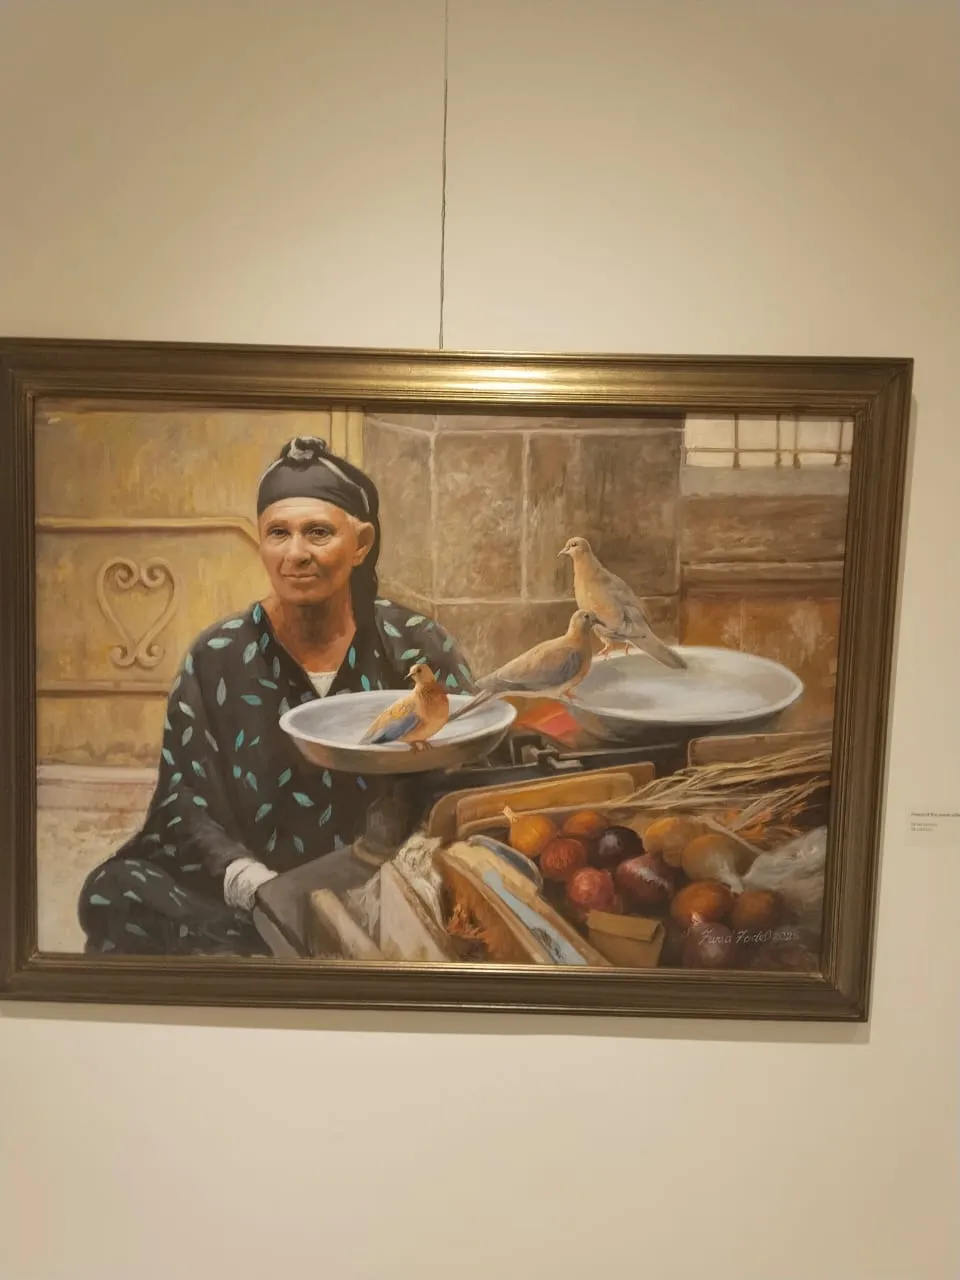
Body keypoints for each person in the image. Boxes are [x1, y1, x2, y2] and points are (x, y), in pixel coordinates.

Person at [79, 436, 474, 956]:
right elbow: (184, 797)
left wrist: (398, 870)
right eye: (278, 533)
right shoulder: (217, 656)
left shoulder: (416, 646)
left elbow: (468, 765)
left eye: (318, 533)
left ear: (361, 543)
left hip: (389, 882)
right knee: (116, 894)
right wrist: (253, 884)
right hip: (258, 896)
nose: (296, 554)